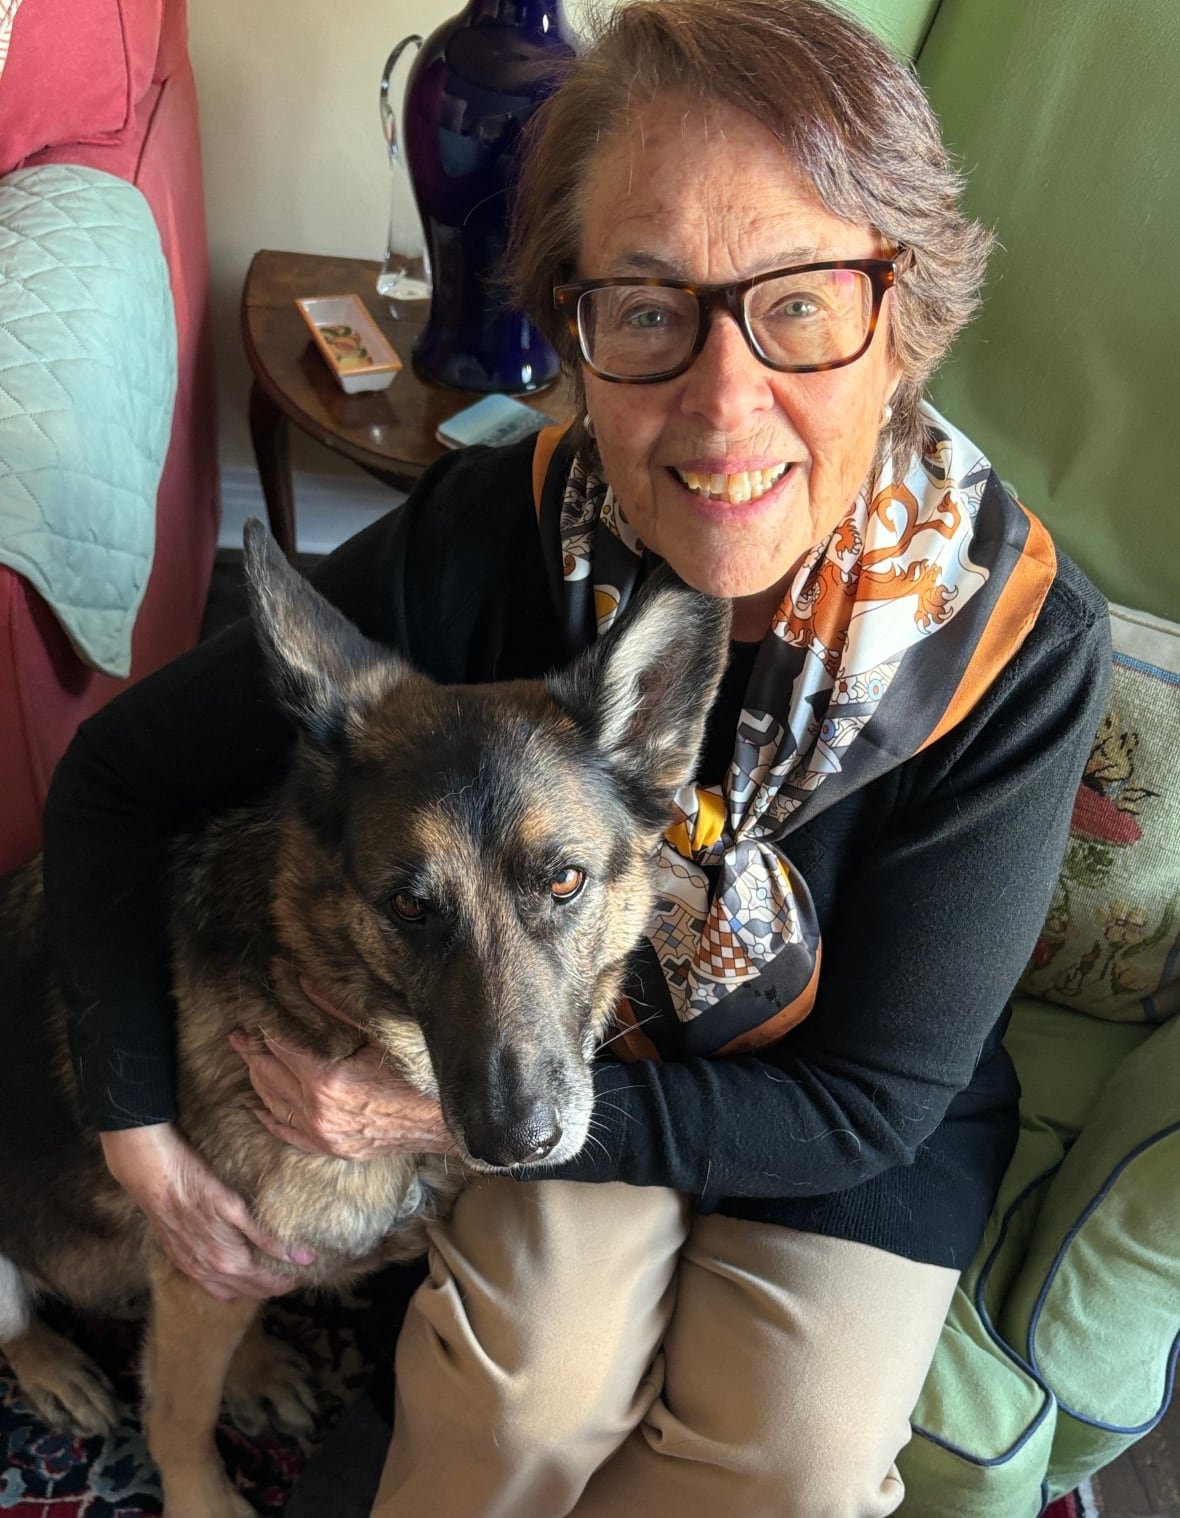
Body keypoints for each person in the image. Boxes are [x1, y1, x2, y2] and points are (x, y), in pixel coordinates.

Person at [41, 2, 1110, 1515]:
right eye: (650, 305)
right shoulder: (499, 529)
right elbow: (113, 782)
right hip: (588, 1043)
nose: (725, 404)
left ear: (905, 310)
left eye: (800, 301)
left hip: (845, 1112)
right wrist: (138, 1125)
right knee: (516, 1385)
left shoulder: (1018, 643)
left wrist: (424, 1113)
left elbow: (874, 1102)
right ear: (575, 324)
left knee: (787, 1453)